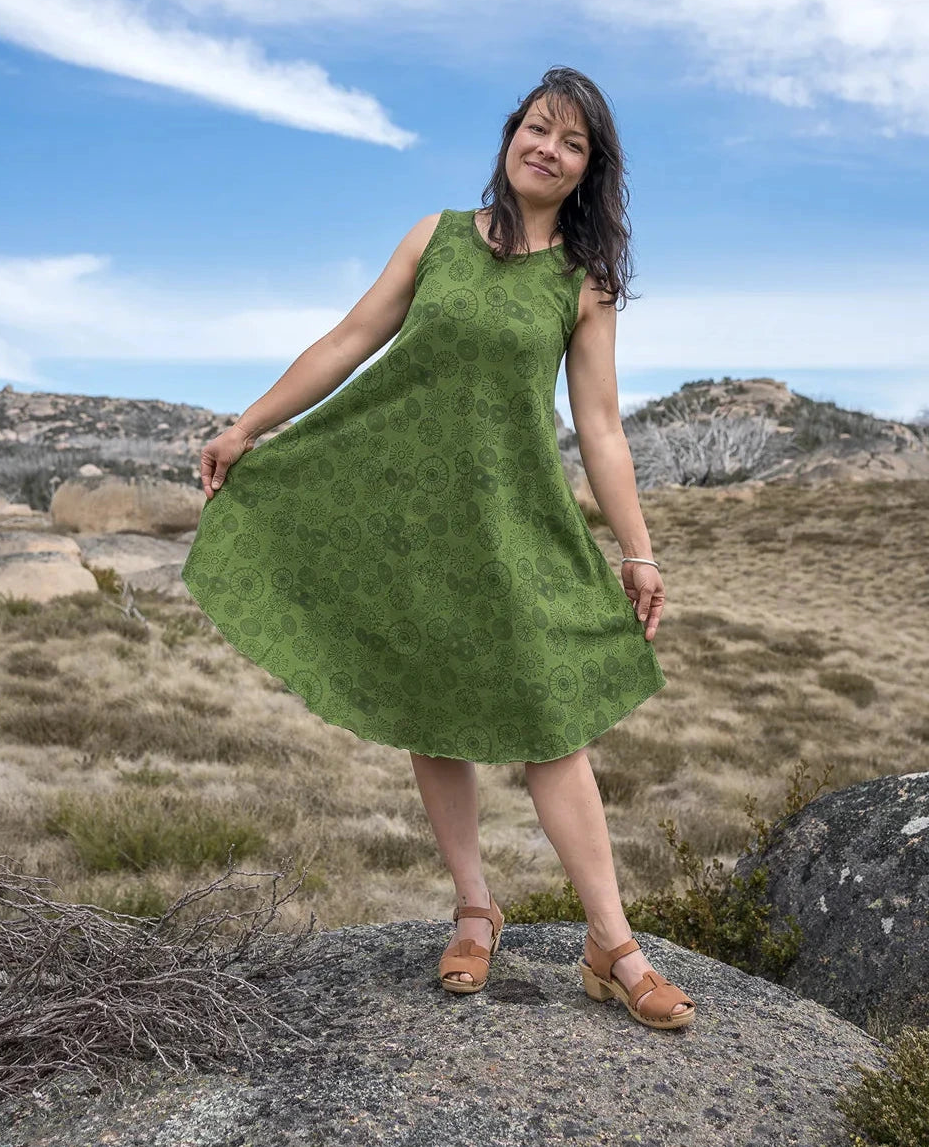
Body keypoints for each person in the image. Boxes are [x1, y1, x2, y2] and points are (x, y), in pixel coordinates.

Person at [182, 66, 695, 1029]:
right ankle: (474, 906)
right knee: (434, 710)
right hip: (413, 524)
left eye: (572, 143)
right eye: (538, 129)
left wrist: (640, 552)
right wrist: (246, 426)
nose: (548, 147)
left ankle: (612, 943)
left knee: (551, 725)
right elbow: (349, 341)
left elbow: (602, 426)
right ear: (511, 137)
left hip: (515, 528)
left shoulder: (582, 286)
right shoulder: (436, 237)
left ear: (590, 172)